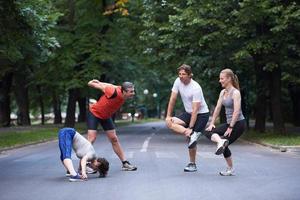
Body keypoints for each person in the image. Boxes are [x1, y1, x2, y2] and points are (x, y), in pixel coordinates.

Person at [165, 64, 210, 172]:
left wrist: (191, 126)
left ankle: (192, 164)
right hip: (188, 113)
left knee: (191, 140)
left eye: (183, 74)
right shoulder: (177, 82)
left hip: (201, 115)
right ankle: (191, 134)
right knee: (170, 122)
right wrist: (168, 115)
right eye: (179, 74)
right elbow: (173, 99)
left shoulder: (196, 88)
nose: (181, 76)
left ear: (190, 75)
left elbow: (195, 110)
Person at [87, 79, 137, 171]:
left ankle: (125, 163)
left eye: (133, 91)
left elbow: (111, 84)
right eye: (131, 92)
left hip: (106, 116)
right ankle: (85, 163)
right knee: (92, 138)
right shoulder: (112, 91)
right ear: (124, 91)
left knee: (114, 139)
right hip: (94, 113)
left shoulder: (120, 90)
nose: (133, 93)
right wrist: (92, 83)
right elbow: (102, 86)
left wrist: (103, 83)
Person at [205, 68, 246, 176]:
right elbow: (218, 108)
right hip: (229, 123)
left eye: (222, 78)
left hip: (238, 124)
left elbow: (237, 111)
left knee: (225, 144)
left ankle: (230, 168)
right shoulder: (223, 92)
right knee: (208, 132)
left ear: (229, 79)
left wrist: (231, 127)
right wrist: (212, 123)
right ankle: (220, 142)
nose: (220, 81)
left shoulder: (235, 93)